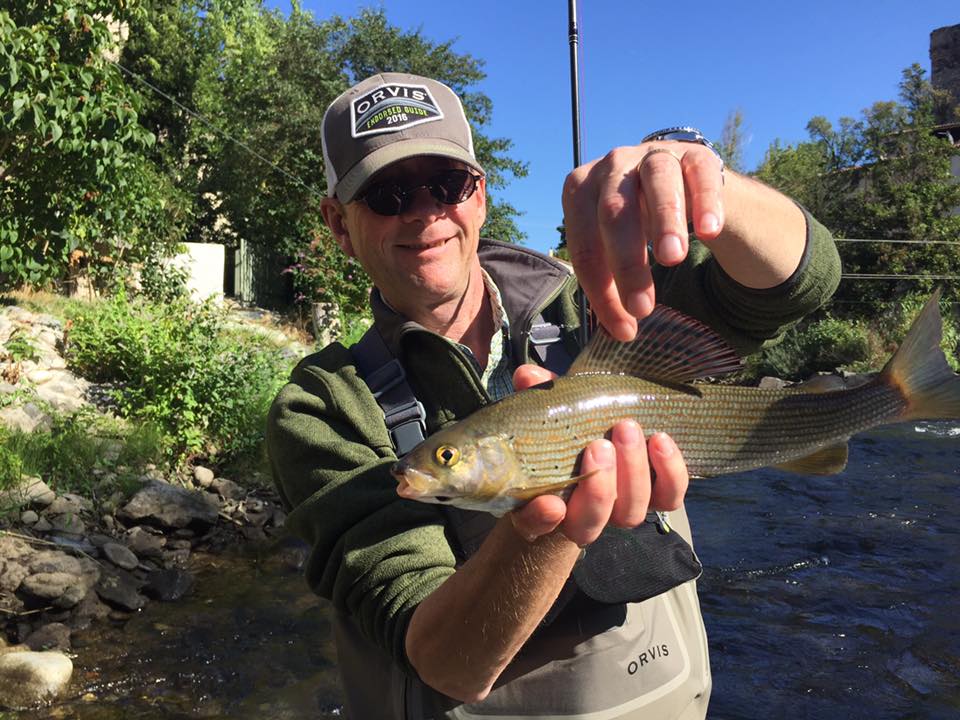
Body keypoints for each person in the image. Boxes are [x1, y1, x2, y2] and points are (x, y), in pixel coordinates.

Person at [267, 72, 841, 719]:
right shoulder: (322, 407)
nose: (424, 211)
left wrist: (709, 191)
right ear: (338, 225)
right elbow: (443, 660)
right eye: (388, 193)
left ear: (479, 196)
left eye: (447, 185)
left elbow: (801, 284)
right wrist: (556, 519)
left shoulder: (601, 308)